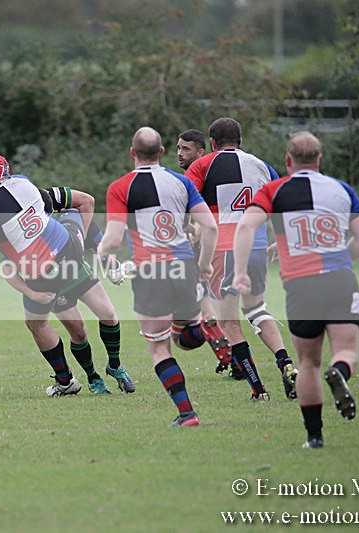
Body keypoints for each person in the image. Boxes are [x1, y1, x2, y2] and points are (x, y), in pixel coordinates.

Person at [233, 131, 359, 448]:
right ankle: (340, 371)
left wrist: (241, 272)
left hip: (300, 286)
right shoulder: (341, 189)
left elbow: (245, 226)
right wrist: (341, 260)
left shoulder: (274, 190)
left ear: (287, 161)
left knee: (309, 363)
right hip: (340, 279)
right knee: (347, 350)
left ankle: (314, 437)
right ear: (320, 160)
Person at [0, 153, 105, 397]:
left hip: (42, 273)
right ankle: (99, 250)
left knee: (36, 323)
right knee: (76, 207)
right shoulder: (23, 181)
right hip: (70, 249)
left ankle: (65, 381)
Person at [98, 127, 219, 427]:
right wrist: (203, 266)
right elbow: (211, 227)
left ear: (132, 153)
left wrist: (101, 256)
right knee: (184, 336)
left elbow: (113, 239)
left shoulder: (120, 187)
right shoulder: (181, 181)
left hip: (151, 272)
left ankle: (187, 413)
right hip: (184, 267)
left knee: (159, 346)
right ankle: (207, 329)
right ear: (162, 152)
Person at [185, 117, 297, 401]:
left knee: (230, 322)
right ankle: (285, 362)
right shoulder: (261, 166)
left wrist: (190, 231)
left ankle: (258, 390)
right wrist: (280, 242)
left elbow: (184, 201)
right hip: (257, 247)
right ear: (241, 140)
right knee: (257, 309)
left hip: (224, 250)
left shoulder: (202, 165)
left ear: (211, 143)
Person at [176, 129, 232, 372]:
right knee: (207, 301)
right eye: (178, 148)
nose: (180, 153)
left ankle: (229, 354)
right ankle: (229, 358)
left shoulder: (196, 171)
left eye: (185, 149)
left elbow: (190, 212)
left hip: (203, 247)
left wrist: (188, 229)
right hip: (220, 243)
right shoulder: (214, 169)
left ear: (202, 150)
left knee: (181, 326)